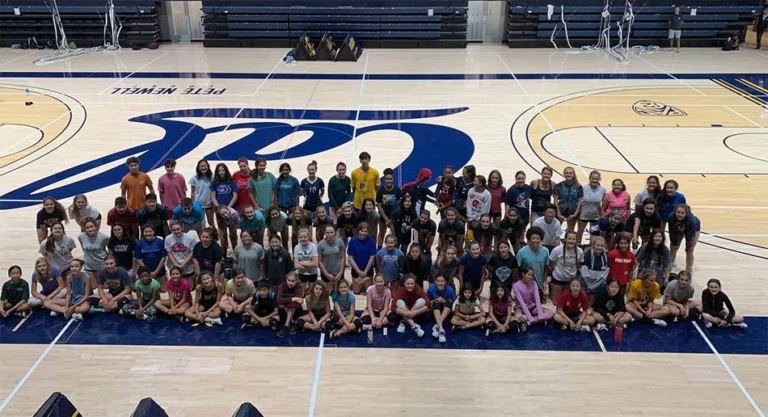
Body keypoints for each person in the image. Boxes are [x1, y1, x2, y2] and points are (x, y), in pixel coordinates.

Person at [549, 231, 583, 304]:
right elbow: (551, 262)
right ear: (565, 239)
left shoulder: (580, 251)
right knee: (556, 302)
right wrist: (556, 270)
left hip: (571, 278)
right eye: (569, 239)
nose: (571, 241)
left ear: (576, 240)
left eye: (573, 239)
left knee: (566, 302)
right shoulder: (556, 250)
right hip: (558, 277)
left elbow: (579, 264)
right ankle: (551, 289)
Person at [667, 204, 701, 273]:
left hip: (694, 229)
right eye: (678, 212)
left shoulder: (691, 221)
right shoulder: (671, 217)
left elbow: (689, 236)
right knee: (673, 247)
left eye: (682, 213)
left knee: (689, 250)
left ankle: (689, 270)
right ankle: (669, 266)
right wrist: (674, 242)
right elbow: (672, 232)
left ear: (686, 214)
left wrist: (688, 245)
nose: (680, 214)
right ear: (675, 212)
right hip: (678, 227)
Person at [78, 218, 110, 288]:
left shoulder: (104, 237)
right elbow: (84, 249)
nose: (90, 229)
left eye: (92, 227)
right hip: (89, 266)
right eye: (87, 227)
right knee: (93, 287)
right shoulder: (81, 237)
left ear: (96, 226)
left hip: (102, 265)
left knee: (105, 287)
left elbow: (110, 251)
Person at [515, 227, 550, 292]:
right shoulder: (521, 252)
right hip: (525, 285)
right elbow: (516, 269)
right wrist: (519, 283)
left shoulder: (545, 251)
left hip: (539, 285)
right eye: (533, 238)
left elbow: (546, 267)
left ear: (541, 239)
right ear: (529, 239)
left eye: (538, 238)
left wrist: (545, 281)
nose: (535, 240)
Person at [135, 224, 168, 290]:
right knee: (149, 290)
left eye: (150, 231)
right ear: (143, 232)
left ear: (154, 232)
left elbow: (163, 257)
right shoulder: (140, 243)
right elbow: (138, 258)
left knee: (164, 290)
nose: (148, 234)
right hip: (146, 270)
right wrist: (147, 271)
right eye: (146, 232)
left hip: (159, 269)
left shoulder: (160, 242)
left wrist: (156, 272)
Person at [347, 223, 377, 294]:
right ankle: (353, 284)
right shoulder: (352, 241)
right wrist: (358, 271)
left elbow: (372, 258)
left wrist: (365, 272)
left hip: (367, 269)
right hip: (357, 269)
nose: (363, 233)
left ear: (368, 232)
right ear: (358, 231)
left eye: (365, 231)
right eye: (361, 231)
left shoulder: (371, 241)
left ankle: (363, 284)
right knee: (356, 291)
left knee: (368, 291)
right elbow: (350, 258)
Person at [577, 171, 605, 246]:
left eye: (596, 179)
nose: (594, 180)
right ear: (589, 178)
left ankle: (591, 250)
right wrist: (576, 213)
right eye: (593, 178)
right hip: (583, 214)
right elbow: (579, 201)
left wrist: (602, 214)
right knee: (580, 233)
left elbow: (604, 204)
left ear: (599, 179)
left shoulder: (602, 190)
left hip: (595, 216)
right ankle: (578, 248)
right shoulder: (583, 188)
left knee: (593, 235)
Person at [376, 168, 401, 247]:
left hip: (393, 217)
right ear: (384, 179)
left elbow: (399, 205)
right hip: (383, 217)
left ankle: (395, 251)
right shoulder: (380, 190)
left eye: (390, 179)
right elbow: (379, 206)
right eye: (387, 179)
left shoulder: (397, 190)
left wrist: (392, 219)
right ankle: (379, 251)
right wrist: (386, 219)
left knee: (394, 234)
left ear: (393, 179)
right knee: (381, 233)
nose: (388, 181)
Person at [553, 166, 583, 233]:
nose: (568, 174)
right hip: (560, 211)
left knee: (570, 231)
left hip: (573, 212)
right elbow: (555, 201)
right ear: (564, 174)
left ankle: (568, 243)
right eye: (566, 173)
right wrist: (558, 214)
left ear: (573, 174)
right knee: (556, 230)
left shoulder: (578, 187)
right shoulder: (558, 186)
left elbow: (580, 201)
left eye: (570, 173)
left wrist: (575, 214)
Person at [427, 275, 455, 343]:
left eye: (442, 281)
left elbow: (454, 305)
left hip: (446, 310)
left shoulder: (450, 290)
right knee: (436, 302)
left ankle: (437, 326)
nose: (440, 283)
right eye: (438, 281)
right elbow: (427, 303)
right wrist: (435, 299)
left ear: (445, 282)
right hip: (434, 309)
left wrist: (446, 301)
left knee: (449, 301)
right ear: (435, 282)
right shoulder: (431, 289)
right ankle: (441, 329)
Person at [317, 225, 345, 291]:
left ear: (334, 232)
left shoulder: (340, 242)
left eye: (331, 232)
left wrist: (341, 272)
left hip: (338, 272)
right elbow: (319, 261)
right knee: (328, 293)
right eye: (328, 233)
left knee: (338, 293)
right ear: (325, 233)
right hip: (326, 273)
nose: (330, 234)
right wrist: (326, 274)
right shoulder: (320, 244)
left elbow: (343, 257)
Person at [276, 271, 304, 336]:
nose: (290, 283)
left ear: (296, 281)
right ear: (286, 279)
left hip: (296, 310)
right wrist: (293, 299)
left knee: (292, 306)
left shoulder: (299, 287)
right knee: (282, 304)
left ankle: (286, 326)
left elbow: (298, 303)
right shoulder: (282, 285)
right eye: (289, 280)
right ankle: (291, 322)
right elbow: (278, 300)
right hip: (283, 310)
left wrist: (285, 302)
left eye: (293, 281)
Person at [190, 159, 215, 228]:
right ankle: (203, 238)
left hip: (209, 204)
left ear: (208, 166)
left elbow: (215, 191)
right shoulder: (194, 178)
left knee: (211, 223)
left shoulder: (212, 177)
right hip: (198, 205)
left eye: (205, 166)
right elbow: (192, 192)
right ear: (198, 167)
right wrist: (193, 204)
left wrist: (214, 203)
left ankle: (214, 237)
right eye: (201, 166)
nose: (203, 168)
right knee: (200, 223)